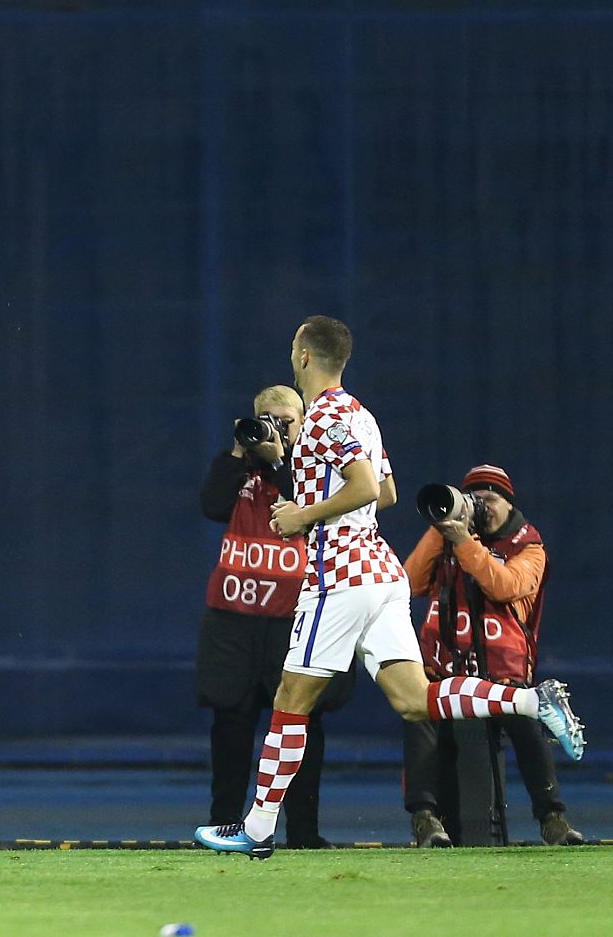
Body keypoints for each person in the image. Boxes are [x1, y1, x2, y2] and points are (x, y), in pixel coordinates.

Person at [194, 315, 585, 859]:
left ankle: (255, 833)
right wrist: (310, 494)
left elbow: (360, 486)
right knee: (413, 700)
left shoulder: (325, 415)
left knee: (290, 700)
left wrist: (305, 515)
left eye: (293, 347)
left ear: (303, 355)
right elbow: (389, 493)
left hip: (342, 575)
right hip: (380, 571)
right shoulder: (362, 415)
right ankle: (529, 701)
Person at [198, 385, 352, 849]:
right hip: (234, 617)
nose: (273, 429)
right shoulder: (237, 466)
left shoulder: (314, 468)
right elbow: (211, 505)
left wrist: (282, 458)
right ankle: (225, 825)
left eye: (284, 421)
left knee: (300, 721)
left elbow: (310, 505)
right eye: (265, 419)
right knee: (231, 723)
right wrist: (240, 450)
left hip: (293, 614)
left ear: (302, 423)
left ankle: (303, 832)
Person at [402, 465, 584, 847]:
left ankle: (553, 819)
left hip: (503, 675)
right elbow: (411, 582)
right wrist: (442, 530)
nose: (482, 507)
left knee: (526, 720)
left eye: (490, 500)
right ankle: (425, 819)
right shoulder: (449, 536)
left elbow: (505, 586)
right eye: (475, 499)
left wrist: (465, 541)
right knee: (418, 716)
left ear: (509, 504)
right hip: (446, 669)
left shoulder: (529, 546)